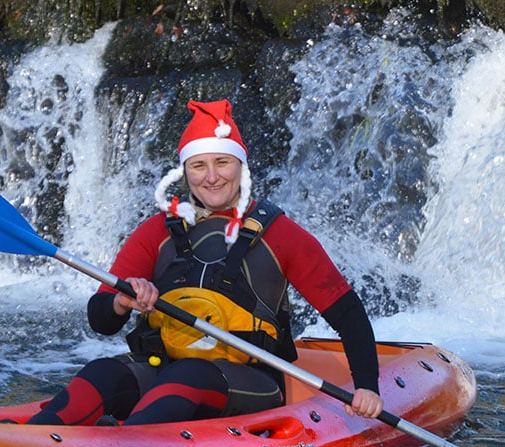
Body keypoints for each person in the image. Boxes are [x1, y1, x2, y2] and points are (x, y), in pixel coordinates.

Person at [26, 99, 383, 426]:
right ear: (185, 171)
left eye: (222, 163)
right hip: (164, 367)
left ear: (240, 166)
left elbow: (348, 314)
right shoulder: (156, 232)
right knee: (103, 372)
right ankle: (33, 441)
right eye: (199, 166)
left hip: (251, 379)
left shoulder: (280, 234)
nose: (211, 177)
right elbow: (99, 319)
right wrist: (121, 302)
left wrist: (367, 386)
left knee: (190, 376)